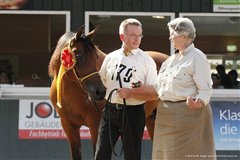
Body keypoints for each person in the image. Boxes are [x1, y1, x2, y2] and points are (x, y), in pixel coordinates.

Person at [152, 17, 216, 159]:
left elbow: (205, 90)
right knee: (163, 156)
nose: (169, 38)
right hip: (164, 116)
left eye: (172, 34)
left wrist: (198, 102)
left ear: (185, 35)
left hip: (188, 116)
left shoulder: (197, 57)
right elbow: (159, 87)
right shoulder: (169, 61)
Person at [95, 18, 158, 160]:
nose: (137, 38)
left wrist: (132, 92)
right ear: (122, 37)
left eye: (139, 35)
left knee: (132, 155)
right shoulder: (111, 57)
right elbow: (103, 80)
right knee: (101, 153)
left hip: (133, 112)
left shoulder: (147, 61)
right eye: (133, 35)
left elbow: (154, 92)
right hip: (110, 110)